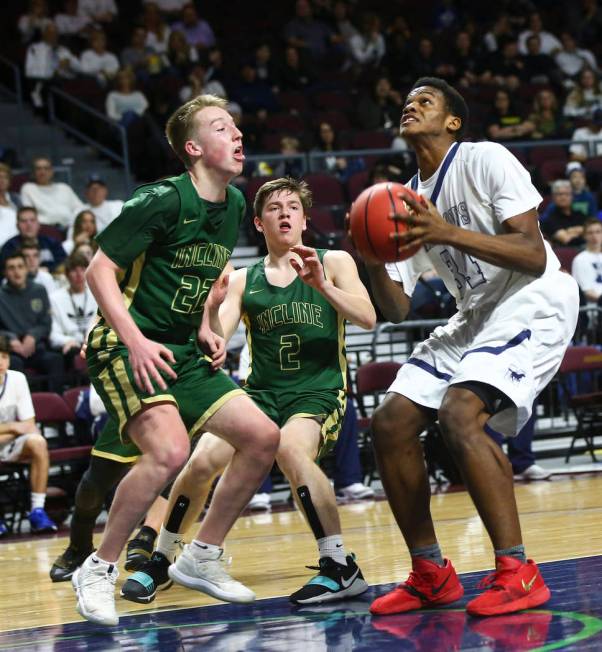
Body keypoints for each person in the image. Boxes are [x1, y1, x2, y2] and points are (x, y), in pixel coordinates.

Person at [361, 76, 579, 618]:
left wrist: (446, 233)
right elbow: (395, 310)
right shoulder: (404, 202)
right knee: (390, 421)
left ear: (453, 121)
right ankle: (431, 573)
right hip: (476, 313)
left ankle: (518, 572)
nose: (410, 105)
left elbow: (532, 252)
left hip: (534, 295)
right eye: (406, 100)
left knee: (461, 412)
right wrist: (368, 254)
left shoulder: (485, 158)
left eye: (424, 101)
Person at [71, 93, 280, 627]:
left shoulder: (234, 203)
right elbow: (99, 272)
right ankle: (97, 568)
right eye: (221, 128)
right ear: (193, 148)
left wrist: (207, 324)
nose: (237, 135)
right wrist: (136, 341)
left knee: (261, 437)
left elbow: (214, 268)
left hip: (184, 349)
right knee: (169, 452)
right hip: (125, 344)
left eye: (236, 126)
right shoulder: (160, 199)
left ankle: (200, 556)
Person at [120, 177, 375, 606]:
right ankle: (161, 560)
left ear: (306, 218)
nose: (285, 214)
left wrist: (323, 288)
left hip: (318, 393)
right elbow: (218, 340)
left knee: (292, 451)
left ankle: (339, 565)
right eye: (274, 208)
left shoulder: (333, 262)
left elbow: (368, 317)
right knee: (202, 459)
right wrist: (210, 309)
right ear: (259, 223)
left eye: (293, 206)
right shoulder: (243, 278)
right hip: (260, 395)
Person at [0, 335, 57, 537]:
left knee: (38, 442)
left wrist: (11, 430)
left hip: (10, 443)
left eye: (4, 356)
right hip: (10, 438)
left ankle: (37, 511)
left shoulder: (17, 378)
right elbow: (21, 426)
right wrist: (15, 427)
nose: (1, 362)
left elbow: (30, 425)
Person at [0, 252, 64, 392]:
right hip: (11, 351)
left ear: (26, 269)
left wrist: (33, 336)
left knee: (56, 360)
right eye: (11, 268)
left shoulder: (39, 290)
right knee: (13, 363)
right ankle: (23, 408)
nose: (17, 272)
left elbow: (46, 322)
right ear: (5, 272)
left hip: (37, 348)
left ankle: (57, 405)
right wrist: (9, 339)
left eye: (20, 267)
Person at [49, 252, 98, 364]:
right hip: (70, 346)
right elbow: (53, 334)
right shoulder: (55, 298)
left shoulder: (97, 293)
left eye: (82, 269)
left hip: (94, 343)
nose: (79, 274)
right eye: (74, 270)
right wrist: (67, 341)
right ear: (66, 274)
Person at [20, 157, 84, 229]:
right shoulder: (28, 188)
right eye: (39, 169)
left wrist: (72, 221)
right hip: (45, 229)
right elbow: (28, 215)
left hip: (70, 226)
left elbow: (80, 208)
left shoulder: (64, 187)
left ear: (51, 171)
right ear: (34, 172)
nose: (42, 172)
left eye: (46, 168)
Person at [1, 206, 67, 273]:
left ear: (38, 224)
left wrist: (49, 269)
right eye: (24, 221)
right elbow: (5, 271)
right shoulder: (9, 247)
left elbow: (64, 263)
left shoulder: (51, 242)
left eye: (32, 220)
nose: (29, 225)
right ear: (17, 226)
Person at [540, 179, 586, 246]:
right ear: (553, 197)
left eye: (567, 194)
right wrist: (581, 231)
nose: (563, 197)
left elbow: (592, 233)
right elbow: (567, 239)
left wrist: (569, 231)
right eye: (560, 194)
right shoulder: (548, 219)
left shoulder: (580, 215)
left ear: (572, 196)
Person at [571, 217, 602, 302]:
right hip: (594, 307)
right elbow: (587, 292)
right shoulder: (580, 260)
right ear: (585, 236)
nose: (594, 236)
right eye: (590, 233)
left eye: (598, 232)